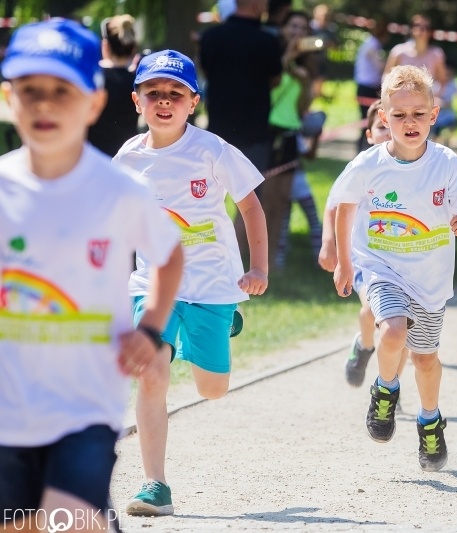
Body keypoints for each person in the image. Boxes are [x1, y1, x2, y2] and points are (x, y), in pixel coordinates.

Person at [0, 19, 183, 530]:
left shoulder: (118, 190)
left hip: (86, 402)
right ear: (8, 97)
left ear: (95, 102)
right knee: (18, 521)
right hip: (8, 405)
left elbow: (169, 255)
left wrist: (150, 329)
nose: (45, 104)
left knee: (67, 517)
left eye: (63, 90)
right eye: (30, 90)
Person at [114, 50, 269, 516]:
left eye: (175, 93)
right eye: (153, 93)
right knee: (151, 374)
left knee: (212, 389)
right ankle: (155, 485)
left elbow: (251, 208)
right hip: (152, 285)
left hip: (212, 284)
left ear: (193, 101)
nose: (164, 101)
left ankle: (224, 325)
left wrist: (258, 268)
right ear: (136, 100)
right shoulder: (128, 157)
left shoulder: (213, 150)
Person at [331, 66, 457, 472]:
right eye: (399, 115)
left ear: (434, 115)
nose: (409, 123)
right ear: (383, 117)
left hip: (430, 278)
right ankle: (385, 390)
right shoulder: (368, 165)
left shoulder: (447, 164)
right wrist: (345, 262)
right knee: (393, 329)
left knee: (425, 360)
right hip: (381, 266)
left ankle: (430, 421)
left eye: (418, 114)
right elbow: (343, 208)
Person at [319, 100, 410, 386]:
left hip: (407, 260)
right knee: (373, 310)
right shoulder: (360, 168)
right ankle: (365, 345)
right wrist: (328, 243)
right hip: (365, 258)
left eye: (391, 126)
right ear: (369, 134)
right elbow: (334, 206)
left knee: (403, 328)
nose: (387, 133)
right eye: (380, 127)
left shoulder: (416, 169)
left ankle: (390, 387)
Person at [198, 0, 283, 269]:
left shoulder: (211, 37)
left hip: (218, 128)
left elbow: (205, 72)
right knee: (249, 197)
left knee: (210, 196)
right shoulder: (267, 41)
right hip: (255, 128)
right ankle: (234, 256)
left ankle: (208, 251)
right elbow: (276, 79)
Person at [270, 10, 320, 268]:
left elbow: (302, 108)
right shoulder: (272, 55)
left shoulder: (307, 65)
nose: (298, 33)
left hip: (291, 135)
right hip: (270, 134)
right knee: (277, 202)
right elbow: (267, 86)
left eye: (303, 29)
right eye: (293, 26)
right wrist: (287, 57)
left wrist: (304, 84)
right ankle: (274, 261)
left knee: (294, 201)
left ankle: (317, 259)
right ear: (283, 28)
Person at [87, 14, 140, 156]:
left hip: (95, 155)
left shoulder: (92, 79)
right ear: (133, 48)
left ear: (105, 46)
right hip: (128, 155)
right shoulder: (138, 81)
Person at [383, 14, 447, 94]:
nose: (421, 30)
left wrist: (436, 97)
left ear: (430, 32)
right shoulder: (398, 52)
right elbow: (386, 77)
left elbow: (443, 81)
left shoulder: (436, 54)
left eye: (426, 27)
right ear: (411, 29)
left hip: (425, 102)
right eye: (417, 26)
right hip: (401, 100)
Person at [354, 18, 389, 151]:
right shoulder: (372, 45)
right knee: (367, 121)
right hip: (367, 88)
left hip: (366, 87)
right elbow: (380, 66)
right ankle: (363, 150)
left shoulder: (370, 43)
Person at [431, 63, 457, 145]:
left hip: (448, 110)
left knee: (452, 125)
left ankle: (447, 140)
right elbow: (432, 97)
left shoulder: (453, 84)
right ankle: (433, 144)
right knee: (435, 132)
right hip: (438, 112)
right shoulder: (435, 84)